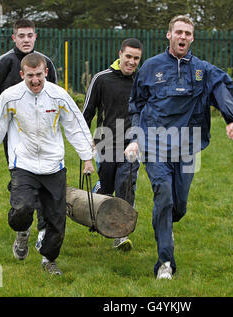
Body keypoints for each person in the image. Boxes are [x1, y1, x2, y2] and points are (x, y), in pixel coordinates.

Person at [124, 15, 233, 279]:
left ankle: (166, 224)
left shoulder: (203, 70)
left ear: (192, 38)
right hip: (154, 146)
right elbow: (136, 106)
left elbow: (222, 88)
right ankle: (165, 262)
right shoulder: (150, 67)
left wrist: (232, 119)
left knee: (178, 206)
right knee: (164, 197)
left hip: (187, 147)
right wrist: (134, 139)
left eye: (188, 33)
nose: (183, 37)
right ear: (169, 35)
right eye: (179, 32)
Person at [0, 53, 94, 275]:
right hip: (24, 164)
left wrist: (87, 157)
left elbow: (75, 126)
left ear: (46, 72)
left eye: (39, 74)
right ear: (22, 75)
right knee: (23, 209)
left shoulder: (59, 96)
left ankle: (48, 259)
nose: (35, 80)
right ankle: (22, 232)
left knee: (56, 222)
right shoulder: (11, 97)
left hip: (53, 166)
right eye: (30, 76)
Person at [0, 19, 57, 260]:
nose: (26, 39)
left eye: (30, 35)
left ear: (35, 37)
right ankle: (23, 229)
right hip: (13, 136)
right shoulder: (4, 62)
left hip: (42, 135)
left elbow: (54, 95)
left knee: (47, 181)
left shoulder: (46, 64)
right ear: (14, 38)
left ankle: (44, 231)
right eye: (21, 35)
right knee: (21, 179)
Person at [82, 38, 143, 251]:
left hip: (132, 145)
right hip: (105, 142)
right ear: (120, 54)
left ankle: (121, 234)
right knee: (108, 188)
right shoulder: (102, 79)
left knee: (126, 186)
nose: (132, 62)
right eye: (128, 56)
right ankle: (100, 189)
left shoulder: (142, 81)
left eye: (136, 58)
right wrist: (85, 144)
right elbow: (87, 113)